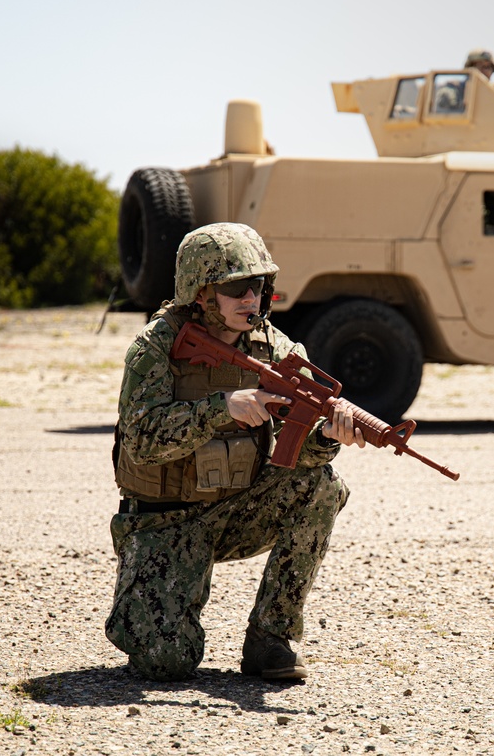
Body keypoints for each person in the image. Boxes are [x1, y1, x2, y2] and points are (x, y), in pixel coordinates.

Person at [105, 222, 364, 682]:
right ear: (200, 292)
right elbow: (142, 440)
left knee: (320, 485)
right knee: (166, 664)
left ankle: (271, 638)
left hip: (234, 510)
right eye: (236, 287)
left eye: (260, 285)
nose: (252, 297)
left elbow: (297, 454)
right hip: (161, 521)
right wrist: (221, 408)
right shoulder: (156, 347)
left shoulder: (275, 349)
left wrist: (326, 437)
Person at [433, 49, 494, 114]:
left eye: (488, 67)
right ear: (469, 68)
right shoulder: (452, 90)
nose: (485, 71)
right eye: (480, 66)